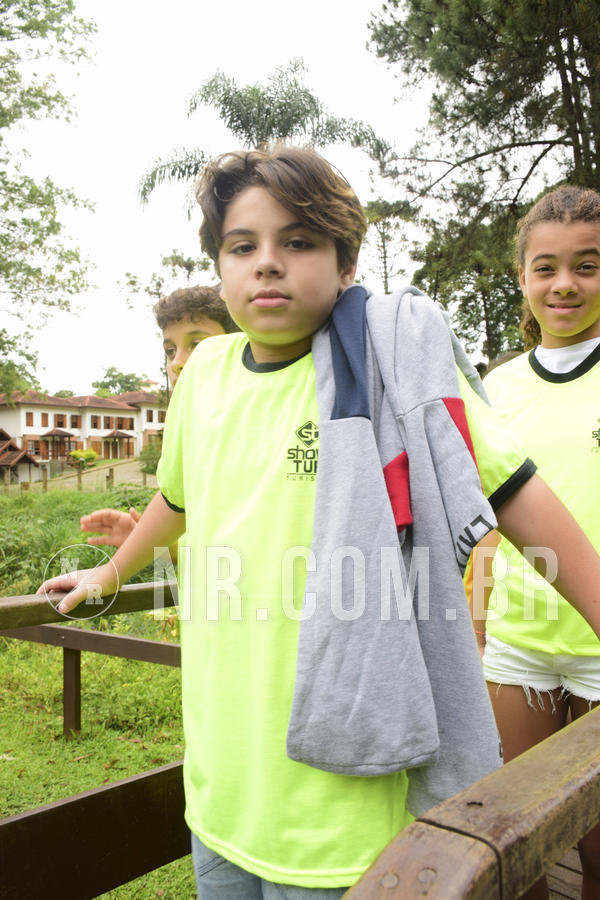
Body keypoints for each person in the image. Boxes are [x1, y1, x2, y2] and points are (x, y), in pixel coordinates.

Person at [37, 148, 600, 899]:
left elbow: (516, 494)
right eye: (244, 246)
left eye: (298, 241)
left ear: (345, 265)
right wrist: (112, 570)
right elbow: (179, 501)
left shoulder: (391, 372)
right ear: (221, 264)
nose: (267, 264)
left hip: (347, 801)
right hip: (222, 788)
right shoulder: (204, 377)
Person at [474, 184, 600, 900]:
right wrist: (481, 628)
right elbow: (490, 524)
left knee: (596, 850)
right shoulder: (495, 388)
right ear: (522, 276)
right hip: (517, 646)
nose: (565, 284)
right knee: (519, 847)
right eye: (546, 266)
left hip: (598, 647)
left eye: (588, 265)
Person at [80, 284, 239, 549]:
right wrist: (146, 542)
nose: (177, 361)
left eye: (196, 344)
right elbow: (201, 549)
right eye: (170, 350)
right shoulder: (190, 435)